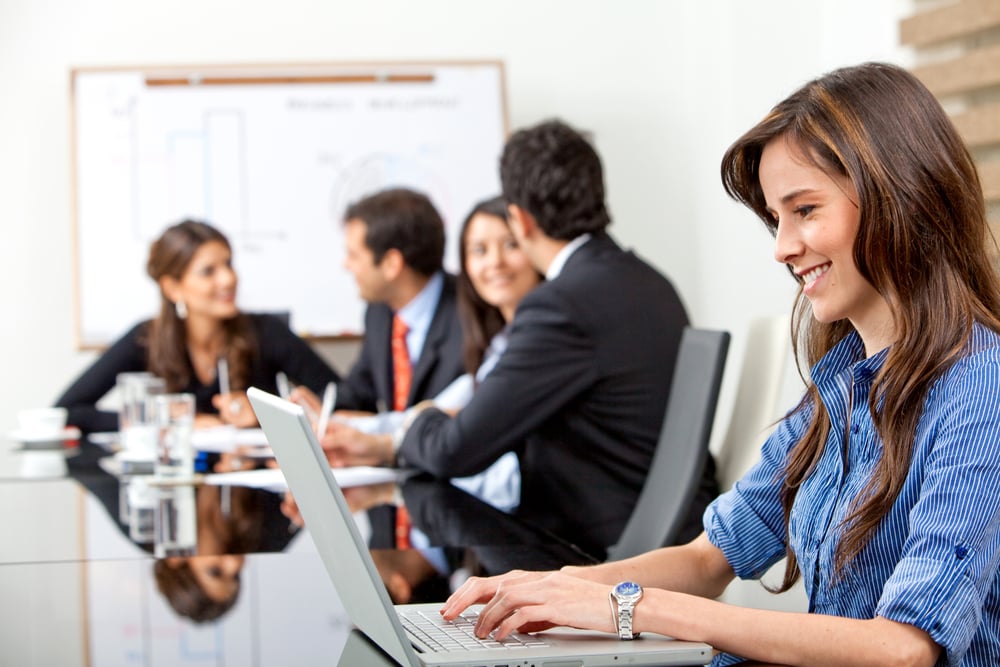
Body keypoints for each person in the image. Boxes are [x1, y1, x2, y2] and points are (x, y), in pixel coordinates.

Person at [440, 63, 1000, 666]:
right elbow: (710, 559)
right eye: (777, 219)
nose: (782, 247)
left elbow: (903, 649)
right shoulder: (841, 382)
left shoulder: (980, 384)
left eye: (805, 210)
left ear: (899, 195)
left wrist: (633, 609)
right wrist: (556, 587)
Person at [324, 120, 702, 559]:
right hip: (659, 531)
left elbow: (456, 450)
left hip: (592, 548)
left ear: (519, 219)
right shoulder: (651, 282)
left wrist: (415, 421)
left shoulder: (561, 306)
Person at [333, 194, 542, 511]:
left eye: (510, 245)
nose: (494, 262)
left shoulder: (537, 338)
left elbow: (464, 441)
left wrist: (384, 453)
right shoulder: (496, 340)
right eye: (479, 250)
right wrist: (338, 430)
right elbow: (437, 414)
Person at [55, 220, 340, 433]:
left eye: (228, 264)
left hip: (258, 500)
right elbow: (67, 412)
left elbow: (341, 402)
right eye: (209, 271)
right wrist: (162, 418)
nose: (228, 279)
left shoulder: (265, 331)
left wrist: (267, 416)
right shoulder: (146, 338)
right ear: (173, 287)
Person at [297, 187, 465, 414]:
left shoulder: (470, 314)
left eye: (354, 255)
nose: (346, 265)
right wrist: (319, 409)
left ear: (391, 264)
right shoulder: (379, 311)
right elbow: (360, 389)